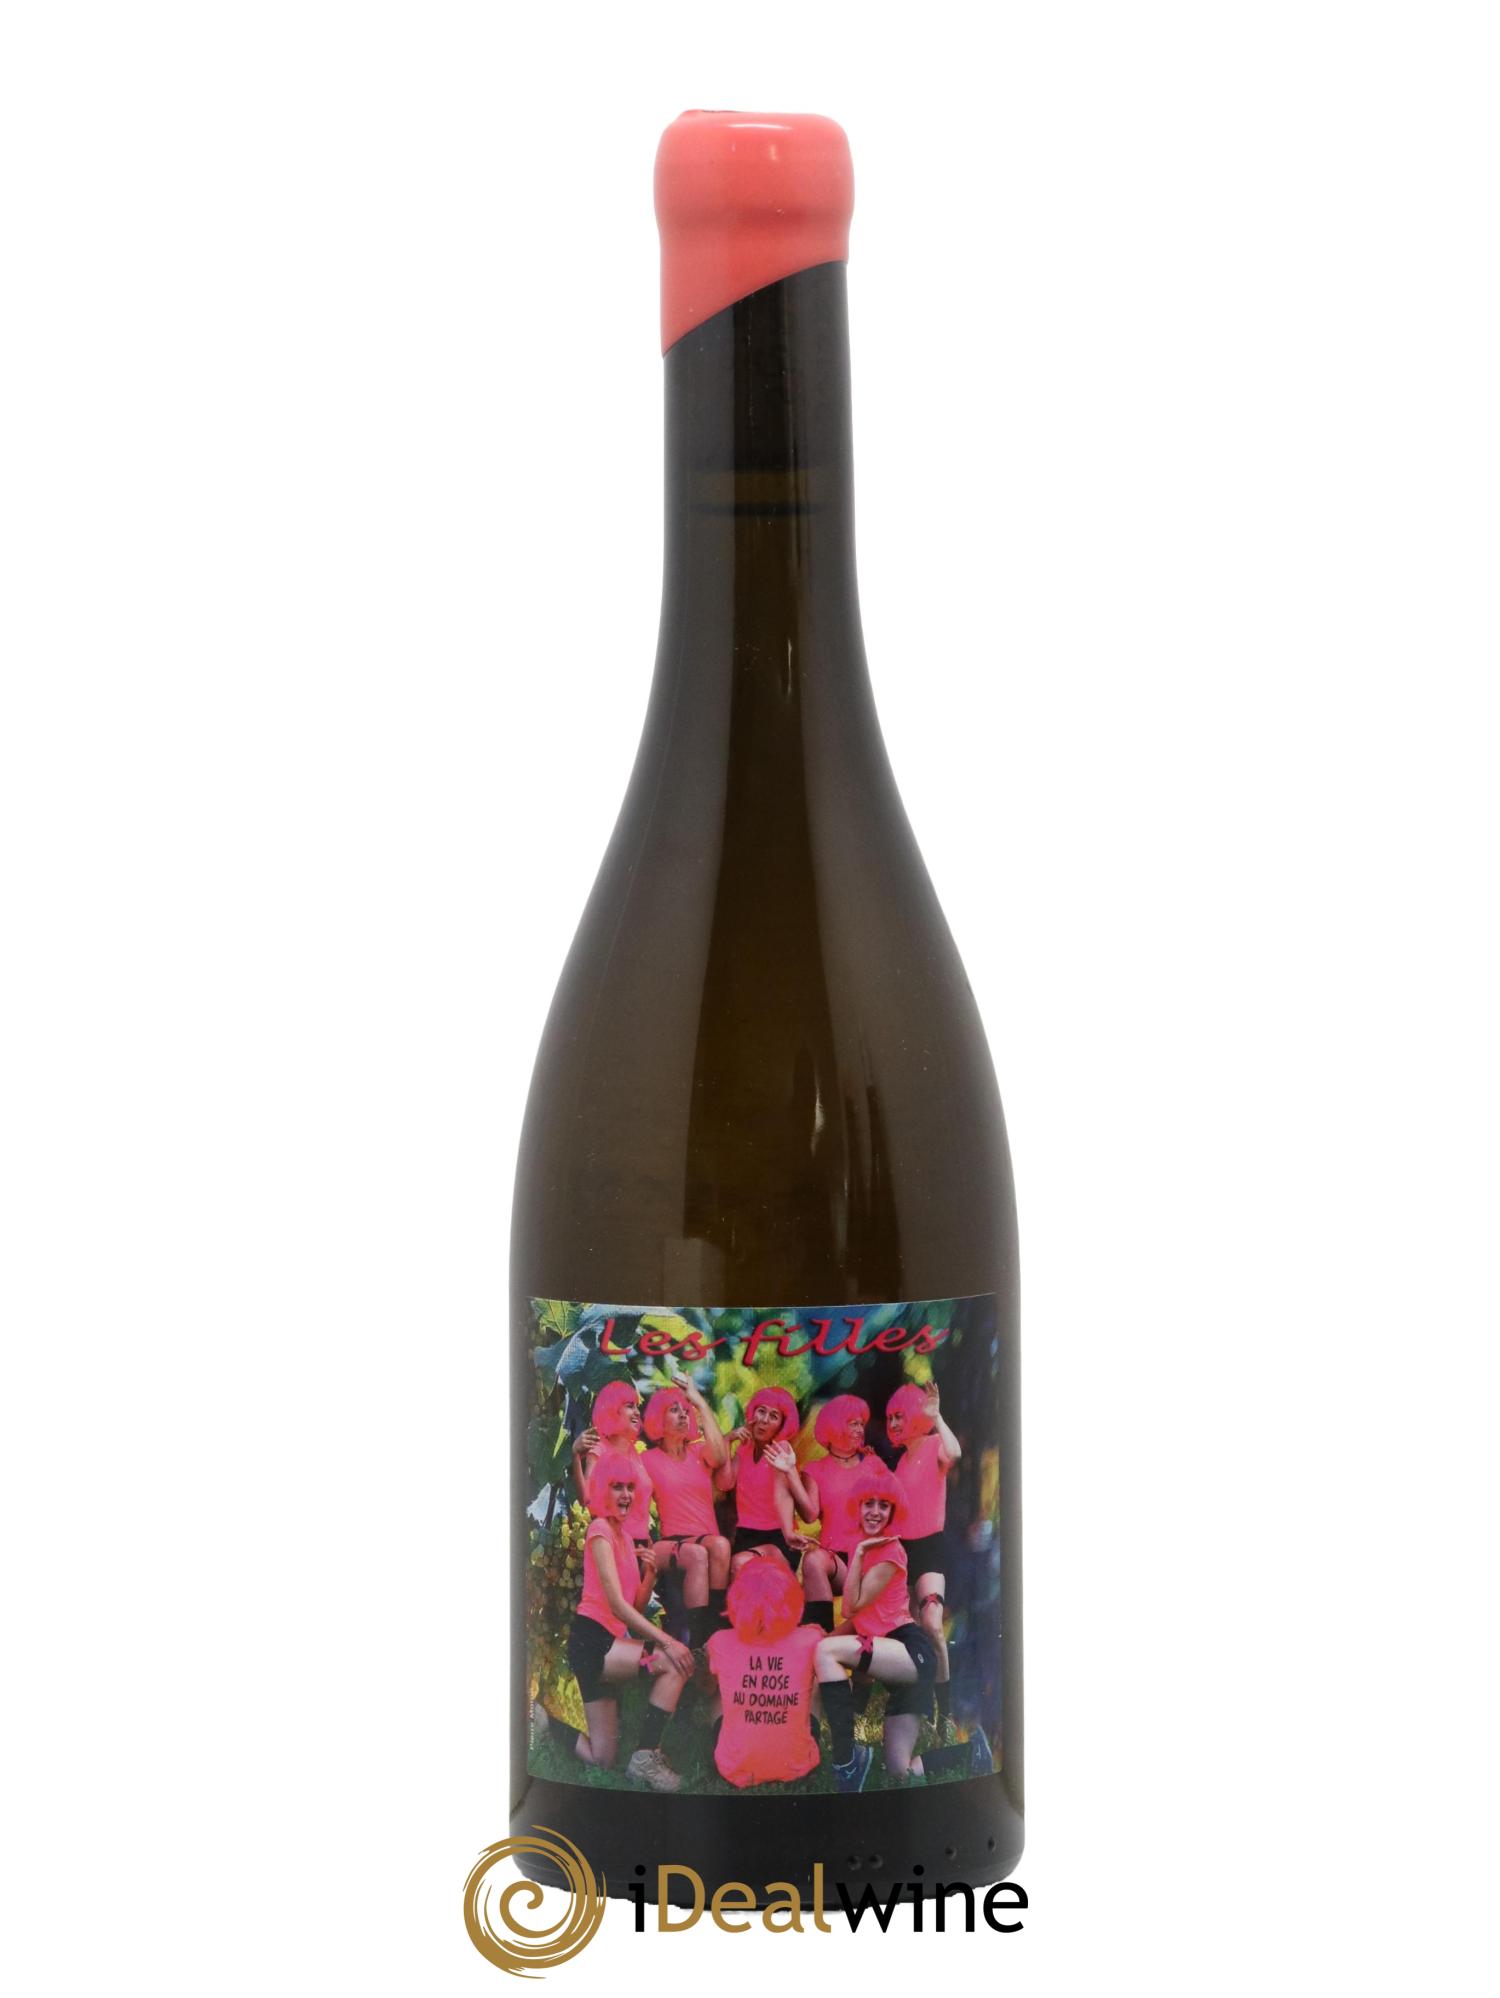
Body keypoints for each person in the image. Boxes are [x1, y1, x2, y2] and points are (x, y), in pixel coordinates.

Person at [532, 1448, 695, 1792]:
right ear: (603, 1489)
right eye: (617, 1486)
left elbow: (634, 1605)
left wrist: (650, 1574)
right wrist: (668, 1641)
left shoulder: (624, 1536)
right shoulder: (600, 1530)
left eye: (630, 1488)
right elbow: (619, 1607)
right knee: (671, 1662)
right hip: (594, 1643)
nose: (625, 1495)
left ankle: (546, 1722)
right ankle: (645, 1759)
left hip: (610, 1646)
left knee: (602, 1758)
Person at [814, 1462, 938, 1791]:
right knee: (900, 1772)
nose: (875, 1512)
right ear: (858, 1506)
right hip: (898, 1673)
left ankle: (847, 1762)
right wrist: (826, 1637)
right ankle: (971, 1753)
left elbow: (851, 1606)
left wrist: (857, 1556)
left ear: (893, 1511)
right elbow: (860, 1619)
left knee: (826, 1652)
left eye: (884, 1505)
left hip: (910, 1652)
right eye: (869, 1503)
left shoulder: (889, 1551)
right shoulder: (863, 1543)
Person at [704, 1560, 823, 1789]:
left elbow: (707, 1686)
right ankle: (795, 1746)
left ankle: (740, 1746)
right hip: (798, 1767)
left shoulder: (719, 1641)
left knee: (717, 1688)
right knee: (815, 1682)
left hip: (734, 1769)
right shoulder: (811, 1639)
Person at [886, 1380, 962, 1726]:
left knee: (932, 1624)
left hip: (931, 1546)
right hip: (903, 1552)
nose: (894, 1424)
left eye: (900, 1416)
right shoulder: (899, 1462)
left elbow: (955, 1454)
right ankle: (922, 1711)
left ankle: (945, 1713)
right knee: (913, 1632)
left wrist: (937, 1416)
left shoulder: (934, 1445)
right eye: (891, 1418)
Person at [641, 1369, 731, 1646]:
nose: (683, 1415)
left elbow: (720, 1455)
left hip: (705, 1538)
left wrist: (699, 1402)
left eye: (685, 1410)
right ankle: (700, 1642)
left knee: (720, 1545)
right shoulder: (647, 1459)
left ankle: (713, 1628)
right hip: (671, 1542)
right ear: (659, 1418)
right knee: (698, 1554)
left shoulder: (698, 1452)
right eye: (674, 1410)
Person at [777, 1394, 871, 1631]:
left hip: (868, 1559)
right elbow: (810, 1515)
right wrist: (790, 1471)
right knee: (814, 1560)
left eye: (862, 1424)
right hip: (837, 1561)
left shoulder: (872, 1465)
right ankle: (821, 1635)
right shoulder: (815, 1469)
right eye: (854, 1424)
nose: (860, 1430)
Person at [572, 1379, 656, 1594]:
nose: (637, 1412)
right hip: (617, 1548)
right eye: (630, 1406)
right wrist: (575, 1456)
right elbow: (587, 1499)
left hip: (642, 1547)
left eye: (637, 1406)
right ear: (612, 1410)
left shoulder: (634, 1452)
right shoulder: (600, 1449)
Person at [720, 1385, 805, 1573]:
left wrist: (788, 1533)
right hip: (745, 1535)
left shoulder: (781, 1448)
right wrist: (728, 1440)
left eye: (773, 1416)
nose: (764, 1420)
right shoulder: (745, 1447)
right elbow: (725, 1484)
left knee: (740, 1564)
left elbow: (782, 1496)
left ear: (782, 1425)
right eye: (761, 1411)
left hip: (777, 1538)